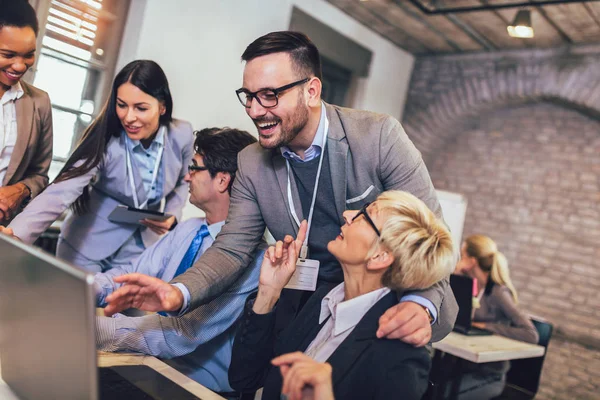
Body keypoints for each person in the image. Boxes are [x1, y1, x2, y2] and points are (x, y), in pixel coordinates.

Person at [103, 31, 458, 345]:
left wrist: (419, 306)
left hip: (381, 315)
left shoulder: (378, 137)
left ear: (312, 91)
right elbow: (232, 249)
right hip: (303, 315)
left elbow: (429, 236)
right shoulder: (251, 162)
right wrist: (177, 292)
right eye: (249, 95)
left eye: (270, 95)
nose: (256, 110)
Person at [229, 191, 456, 400]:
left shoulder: (400, 356)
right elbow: (245, 378)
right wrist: (269, 292)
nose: (347, 215)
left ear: (379, 256)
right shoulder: (322, 300)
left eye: (365, 215)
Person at [95, 127, 265, 394]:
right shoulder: (189, 229)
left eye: (194, 168)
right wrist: (81, 290)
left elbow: (178, 334)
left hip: (198, 390)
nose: (186, 176)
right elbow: (129, 275)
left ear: (222, 180)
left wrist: (89, 329)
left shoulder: (255, 260)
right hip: (154, 369)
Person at [1, 60, 193, 272]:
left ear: (162, 106)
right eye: (121, 105)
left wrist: (173, 215)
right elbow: (59, 194)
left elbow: (184, 180)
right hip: (85, 246)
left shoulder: (181, 134)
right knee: (74, 306)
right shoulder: (107, 140)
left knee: (133, 305)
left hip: (140, 248)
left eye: (140, 108)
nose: (129, 117)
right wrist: (14, 237)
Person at [453, 234, 539, 400]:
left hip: (488, 377)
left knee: (443, 393)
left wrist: (486, 327)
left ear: (472, 261)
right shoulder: (466, 284)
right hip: (461, 368)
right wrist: (456, 271)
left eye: (463, 255)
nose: (460, 259)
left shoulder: (498, 292)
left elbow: (531, 334)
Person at [0, 0, 53, 224]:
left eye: (28, 55)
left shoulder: (39, 103)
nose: (20, 66)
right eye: (8, 54)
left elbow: (40, 175)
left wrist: (21, 190)